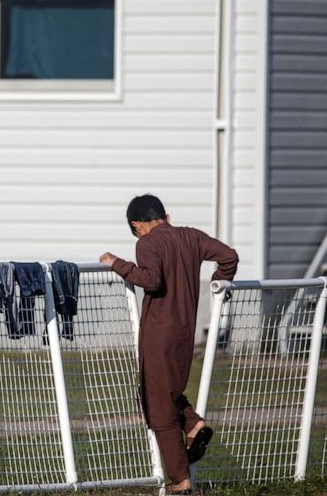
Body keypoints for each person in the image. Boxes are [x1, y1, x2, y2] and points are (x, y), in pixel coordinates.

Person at [100, 194, 238, 495]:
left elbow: (151, 280)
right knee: (170, 392)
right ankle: (192, 425)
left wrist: (116, 263)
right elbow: (229, 256)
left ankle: (180, 481)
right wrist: (219, 285)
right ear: (166, 216)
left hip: (158, 334)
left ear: (137, 226)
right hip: (185, 332)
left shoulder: (146, 243)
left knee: (159, 406)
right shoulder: (191, 236)